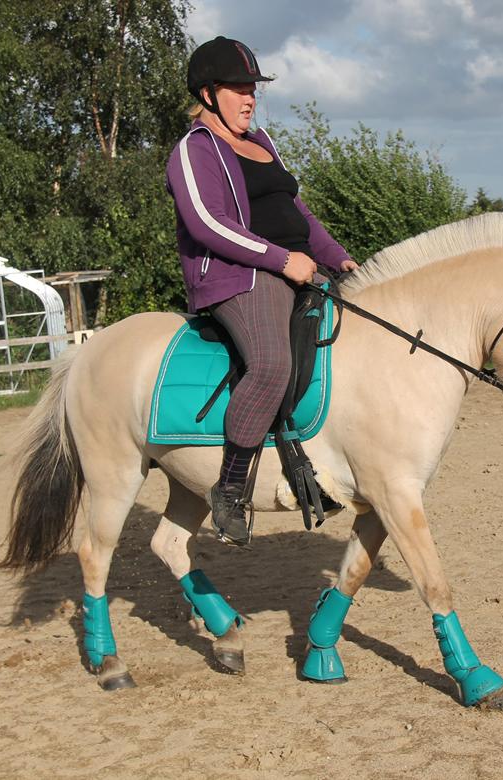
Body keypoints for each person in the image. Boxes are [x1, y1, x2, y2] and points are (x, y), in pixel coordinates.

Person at [165, 36, 358, 546]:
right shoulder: (193, 151)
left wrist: (339, 259)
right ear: (207, 93)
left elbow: (300, 216)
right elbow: (208, 224)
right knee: (272, 363)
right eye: (237, 88)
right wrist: (281, 260)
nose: (250, 97)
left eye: (253, 87)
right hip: (239, 277)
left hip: (297, 268)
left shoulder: (263, 141)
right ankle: (230, 489)